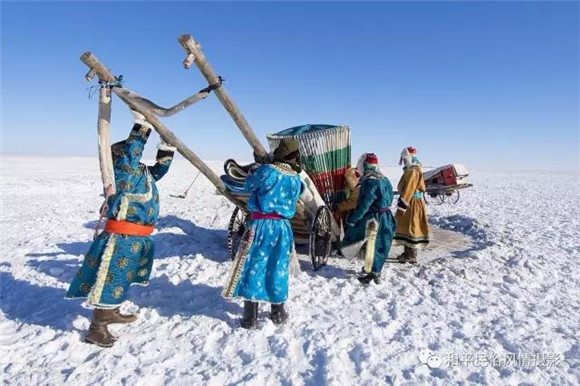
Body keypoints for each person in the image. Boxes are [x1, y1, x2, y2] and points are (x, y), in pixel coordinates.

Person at [66, 111, 175, 347]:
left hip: (136, 238)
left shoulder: (142, 174)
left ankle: (111, 312)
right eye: (128, 153)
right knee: (111, 279)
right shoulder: (122, 172)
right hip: (121, 238)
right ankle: (97, 328)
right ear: (121, 156)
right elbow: (132, 152)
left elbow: (160, 170)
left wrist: (167, 148)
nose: (133, 156)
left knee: (123, 278)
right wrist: (141, 127)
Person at [222, 138, 303, 329]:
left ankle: (250, 317)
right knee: (278, 267)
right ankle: (278, 313)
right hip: (283, 228)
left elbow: (249, 185)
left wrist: (256, 170)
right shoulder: (295, 177)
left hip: (261, 225)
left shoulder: (267, 171)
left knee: (254, 265)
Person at [341, 153, 396, 284]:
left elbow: (364, 204)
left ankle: (373, 274)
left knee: (373, 244)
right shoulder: (384, 178)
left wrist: (354, 218)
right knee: (381, 243)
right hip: (386, 215)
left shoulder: (370, 181)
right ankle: (371, 268)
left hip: (374, 218)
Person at [394, 147, 430, 263]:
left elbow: (409, 189)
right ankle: (407, 253)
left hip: (412, 202)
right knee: (406, 227)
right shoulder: (410, 169)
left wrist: (402, 205)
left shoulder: (413, 170)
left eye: (404, 159)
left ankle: (411, 255)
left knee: (411, 227)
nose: (403, 161)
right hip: (411, 201)